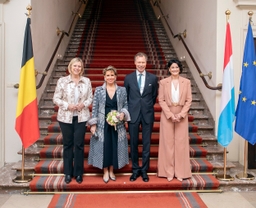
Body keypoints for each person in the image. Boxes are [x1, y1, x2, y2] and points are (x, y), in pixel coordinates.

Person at [53, 57, 93, 184]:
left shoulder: (86, 81)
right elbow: (56, 98)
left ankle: (79, 173)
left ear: (81, 68)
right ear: (70, 67)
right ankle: (68, 173)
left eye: (79, 66)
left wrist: (84, 104)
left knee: (79, 144)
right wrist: (66, 105)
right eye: (75, 66)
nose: (77, 68)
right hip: (65, 117)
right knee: (68, 144)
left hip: (81, 117)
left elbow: (90, 98)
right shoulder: (62, 81)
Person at [87, 65, 130, 183]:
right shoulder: (99, 90)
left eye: (112, 75)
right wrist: (93, 124)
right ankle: (105, 170)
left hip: (118, 123)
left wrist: (123, 114)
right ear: (104, 77)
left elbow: (126, 105)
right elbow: (95, 107)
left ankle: (112, 170)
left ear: (116, 76)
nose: (110, 77)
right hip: (102, 123)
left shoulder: (122, 90)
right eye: (108, 75)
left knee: (114, 145)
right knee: (104, 146)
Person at [124, 52, 159, 182]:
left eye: (143, 62)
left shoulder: (153, 78)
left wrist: (147, 106)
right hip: (133, 115)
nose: (141, 65)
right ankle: (135, 170)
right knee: (133, 143)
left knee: (146, 144)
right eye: (138, 62)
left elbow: (154, 96)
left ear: (146, 63)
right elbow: (126, 97)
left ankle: (144, 170)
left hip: (147, 114)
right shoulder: (128, 78)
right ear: (135, 63)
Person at [157, 59, 192, 182]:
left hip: (182, 113)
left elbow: (189, 100)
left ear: (180, 68)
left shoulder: (186, 82)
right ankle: (168, 172)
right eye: (172, 67)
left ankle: (180, 172)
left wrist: (182, 114)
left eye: (176, 67)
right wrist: (170, 114)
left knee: (181, 144)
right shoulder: (163, 82)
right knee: (168, 143)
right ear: (169, 69)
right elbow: (161, 100)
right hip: (167, 114)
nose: (174, 69)